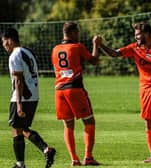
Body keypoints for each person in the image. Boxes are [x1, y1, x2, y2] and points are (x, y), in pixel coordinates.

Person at [99, 22, 151, 163]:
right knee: (148, 122)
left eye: (138, 34)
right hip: (144, 90)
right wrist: (101, 45)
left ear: (147, 34)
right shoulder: (134, 48)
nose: (135, 37)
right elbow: (115, 54)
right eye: (135, 34)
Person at [1, 28, 56, 168]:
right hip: (33, 95)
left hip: (22, 96)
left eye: (3, 41)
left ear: (10, 40)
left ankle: (21, 164)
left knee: (16, 128)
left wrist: (18, 103)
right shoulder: (28, 51)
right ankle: (46, 150)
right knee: (22, 128)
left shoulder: (14, 55)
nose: (3, 45)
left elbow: (19, 80)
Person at [51, 21, 101, 166]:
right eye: (77, 32)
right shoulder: (77, 47)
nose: (78, 35)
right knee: (89, 121)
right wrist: (96, 44)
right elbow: (94, 61)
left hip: (59, 90)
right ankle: (88, 157)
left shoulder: (55, 49)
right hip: (74, 89)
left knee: (68, 125)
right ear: (72, 33)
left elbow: (57, 70)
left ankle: (74, 159)